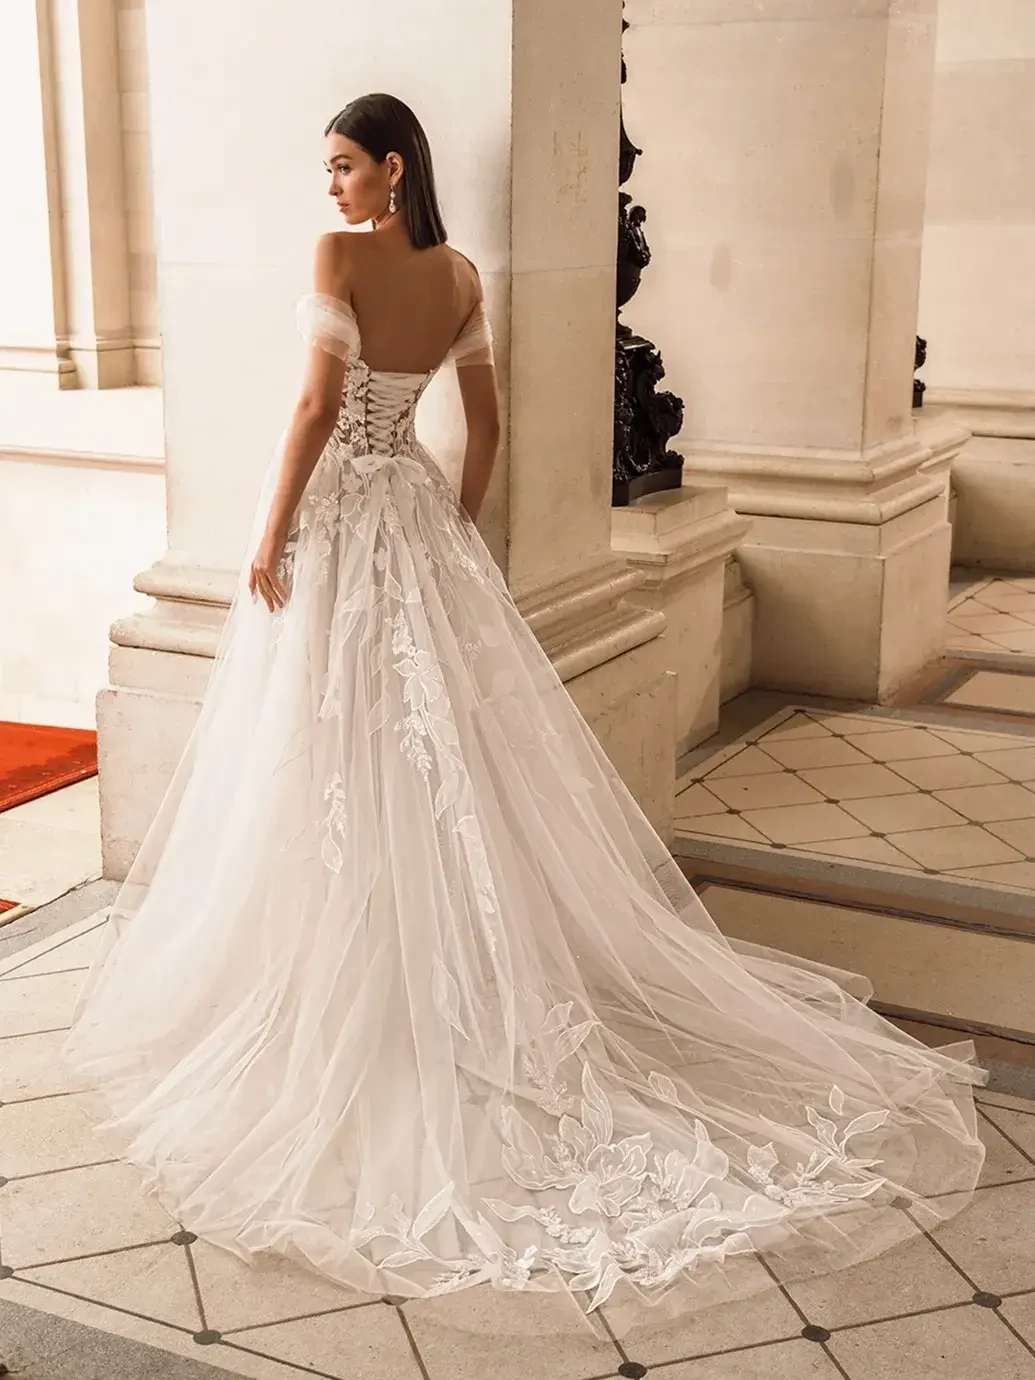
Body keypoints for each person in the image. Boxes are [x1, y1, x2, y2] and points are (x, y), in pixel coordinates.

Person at [62, 92, 988, 1337]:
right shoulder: (458, 274)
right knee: (422, 751)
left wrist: (271, 532)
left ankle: (347, 982)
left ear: (392, 168)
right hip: (417, 523)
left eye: (343, 166)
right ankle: (412, 966)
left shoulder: (344, 256)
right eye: (328, 171)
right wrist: (449, 513)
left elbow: (312, 410)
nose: (329, 188)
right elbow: (484, 425)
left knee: (326, 746)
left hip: (342, 525)